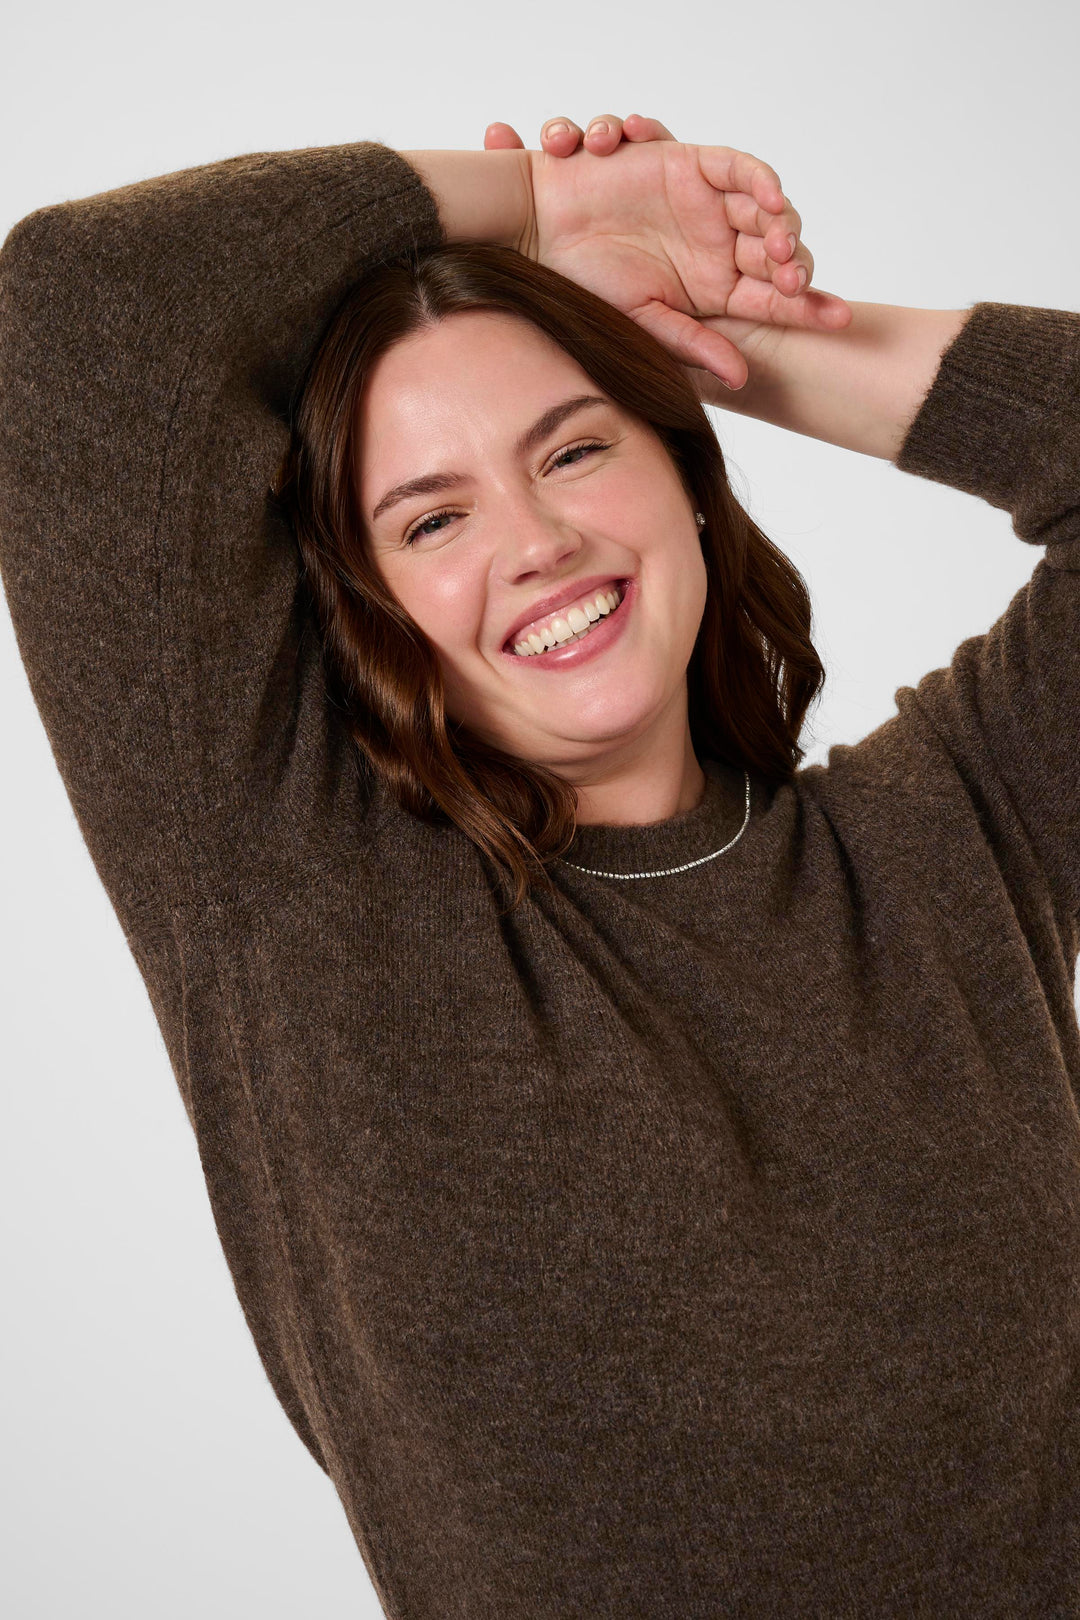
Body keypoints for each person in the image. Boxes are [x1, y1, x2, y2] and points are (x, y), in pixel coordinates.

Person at [0, 110, 1077, 1617]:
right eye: (432, 518)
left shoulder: (953, 831)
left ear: (684, 472)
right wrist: (537, 211)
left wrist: (720, 336)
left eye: (575, 446)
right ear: (373, 606)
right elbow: (81, 301)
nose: (535, 542)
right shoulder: (299, 888)